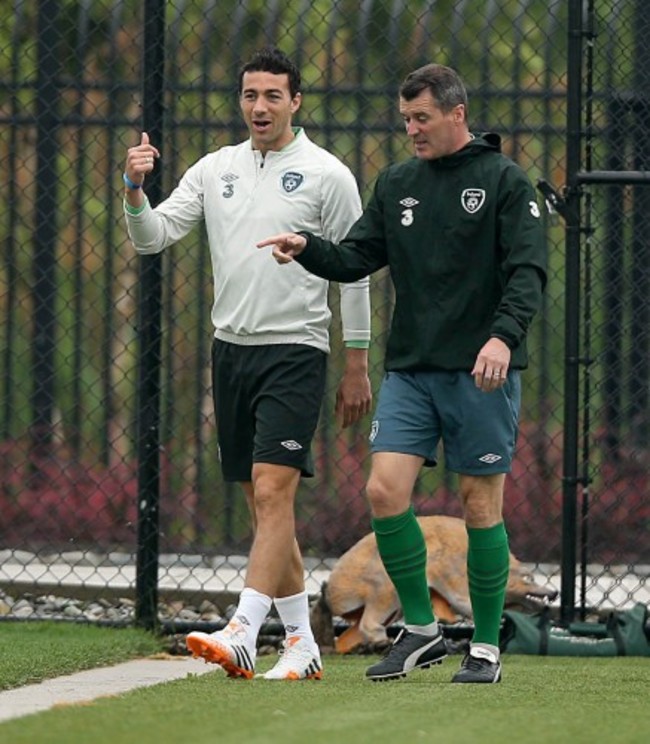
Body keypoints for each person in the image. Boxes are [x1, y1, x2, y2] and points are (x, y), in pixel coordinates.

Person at [258, 63, 547, 684]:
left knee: (479, 505)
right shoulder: (397, 183)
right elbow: (359, 255)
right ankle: (420, 630)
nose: (412, 129)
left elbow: (528, 273)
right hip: (411, 370)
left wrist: (501, 338)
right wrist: (308, 247)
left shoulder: (503, 181)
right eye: (406, 119)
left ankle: (487, 647)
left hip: (481, 373)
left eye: (422, 118)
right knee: (384, 492)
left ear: (456, 113)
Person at [122, 47, 372, 681]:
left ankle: (242, 630)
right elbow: (151, 237)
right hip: (230, 350)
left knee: (272, 489)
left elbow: (358, 270)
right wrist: (133, 189)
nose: (259, 107)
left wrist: (356, 362)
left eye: (272, 96)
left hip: (297, 350)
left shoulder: (327, 174)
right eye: (250, 95)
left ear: (296, 102)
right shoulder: (215, 169)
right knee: (268, 508)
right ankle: (300, 642)